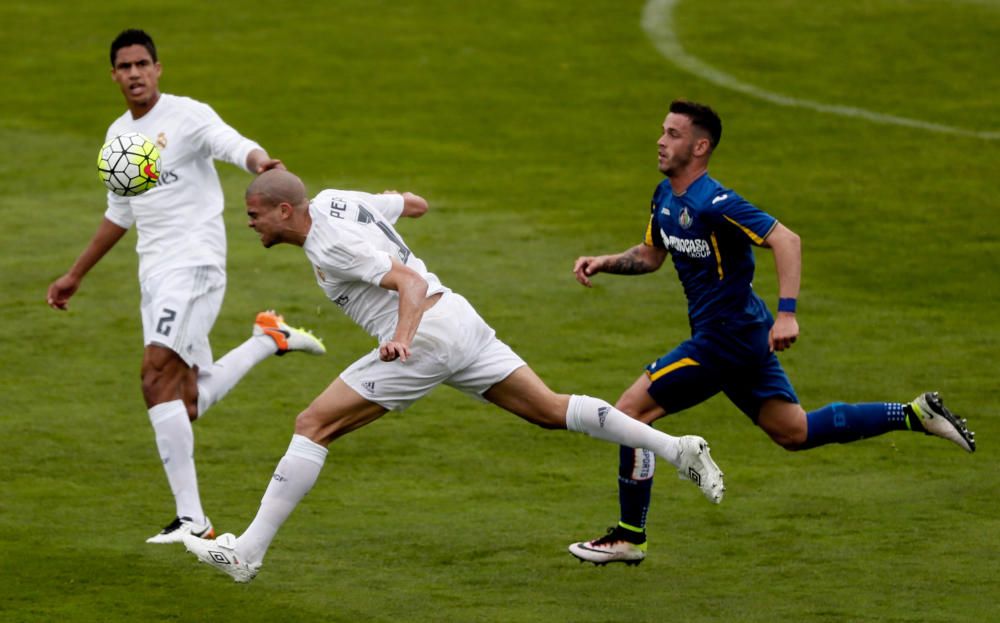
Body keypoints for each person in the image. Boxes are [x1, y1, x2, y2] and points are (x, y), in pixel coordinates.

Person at [181, 169, 726, 583]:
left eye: (254, 214)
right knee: (549, 410)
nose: (248, 222)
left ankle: (247, 552)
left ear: (283, 210)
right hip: (461, 321)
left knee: (313, 423)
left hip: (427, 334)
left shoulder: (329, 243)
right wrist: (411, 207)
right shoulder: (333, 201)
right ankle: (678, 448)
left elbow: (408, 287)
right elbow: (403, 203)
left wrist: (401, 336)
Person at [566, 99, 977, 566]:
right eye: (663, 131)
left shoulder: (716, 203)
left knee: (628, 413)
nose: (661, 141)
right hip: (741, 335)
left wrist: (788, 314)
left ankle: (629, 536)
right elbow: (651, 254)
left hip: (726, 337)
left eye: (674, 134)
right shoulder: (665, 197)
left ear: (701, 147)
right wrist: (605, 262)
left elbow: (786, 239)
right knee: (793, 431)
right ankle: (914, 413)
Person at [46, 29, 326, 544]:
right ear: (113, 75)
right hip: (154, 274)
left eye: (142, 64)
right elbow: (119, 213)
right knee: (186, 399)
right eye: (124, 66)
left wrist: (260, 163)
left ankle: (193, 519)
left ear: (157, 68)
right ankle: (270, 338)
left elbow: (232, 144)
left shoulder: (186, 115)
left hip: (194, 266)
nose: (134, 73)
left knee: (154, 378)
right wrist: (75, 274)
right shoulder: (117, 138)